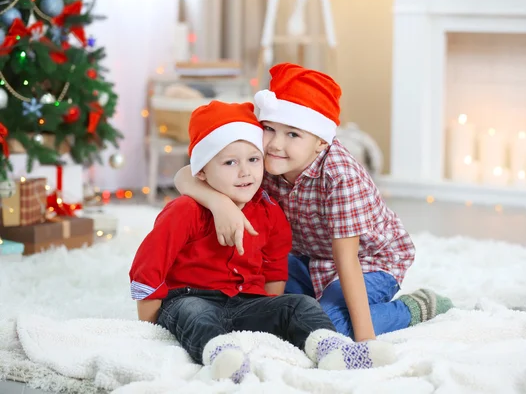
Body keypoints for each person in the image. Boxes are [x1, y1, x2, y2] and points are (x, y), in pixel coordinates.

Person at [173, 64, 453, 342]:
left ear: (320, 141)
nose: (275, 145)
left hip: (367, 261)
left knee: (327, 324)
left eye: (293, 134)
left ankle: (413, 308)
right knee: (263, 305)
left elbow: (347, 260)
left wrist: (364, 339)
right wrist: (219, 203)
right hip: (305, 258)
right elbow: (186, 174)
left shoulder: (340, 176)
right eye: (269, 128)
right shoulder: (264, 159)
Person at [129, 101, 397, 384]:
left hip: (247, 302)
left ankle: (331, 348)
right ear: (202, 172)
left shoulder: (269, 211)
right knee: (193, 312)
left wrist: (270, 311)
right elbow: (148, 266)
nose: (245, 172)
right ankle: (221, 357)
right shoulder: (185, 211)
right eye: (230, 162)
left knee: (300, 304)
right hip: (191, 297)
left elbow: (275, 268)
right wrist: (151, 328)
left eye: (253, 160)